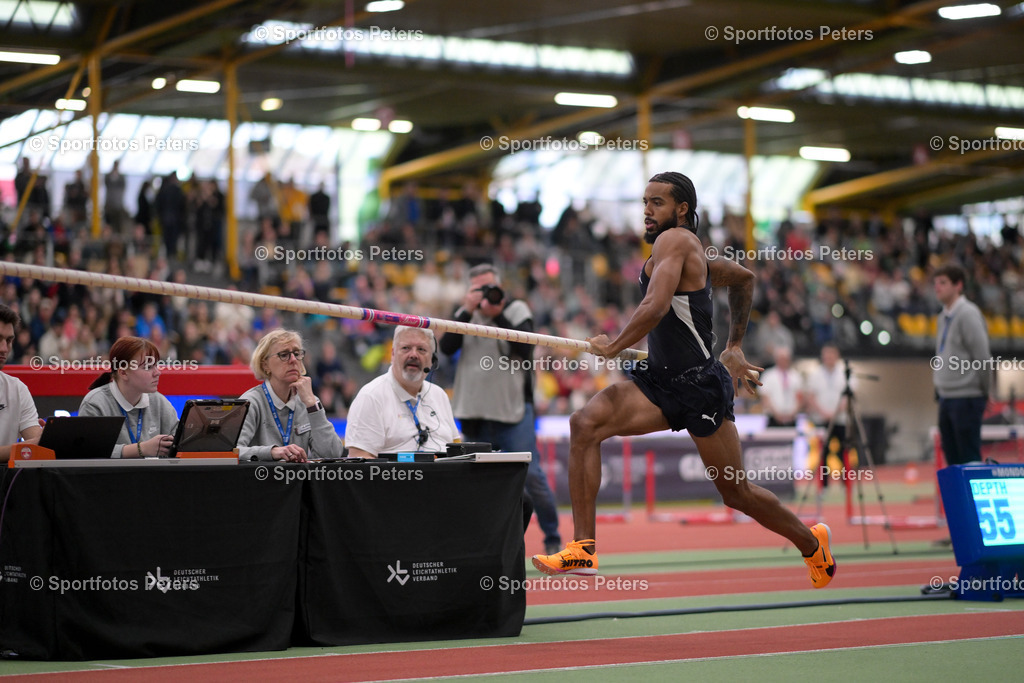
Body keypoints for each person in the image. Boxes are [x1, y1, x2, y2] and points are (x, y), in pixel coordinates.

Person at [531, 171, 835, 589]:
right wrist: (734, 345)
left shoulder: (673, 241)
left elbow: (656, 306)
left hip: (699, 388)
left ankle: (811, 542)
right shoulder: (690, 253)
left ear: (682, 209)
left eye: (656, 203)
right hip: (659, 382)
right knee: (585, 424)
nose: (647, 211)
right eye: (644, 202)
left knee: (736, 493)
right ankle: (583, 549)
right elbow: (743, 278)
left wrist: (614, 345)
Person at [440, 264, 562, 555]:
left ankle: (553, 537)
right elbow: (445, 348)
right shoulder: (464, 314)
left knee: (532, 476)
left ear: (500, 287)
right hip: (473, 413)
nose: (486, 294)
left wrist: (499, 315)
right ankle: (481, 545)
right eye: (478, 289)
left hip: (513, 412)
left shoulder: (516, 310)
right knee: (474, 483)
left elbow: (525, 350)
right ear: (469, 291)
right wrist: (466, 310)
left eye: (490, 287)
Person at [346, 326, 459, 458]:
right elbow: (359, 460)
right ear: (393, 355)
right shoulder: (371, 396)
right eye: (406, 348)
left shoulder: (440, 395)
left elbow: (457, 448)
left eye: (421, 349)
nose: (413, 355)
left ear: (432, 360)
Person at [237, 329, 344, 462]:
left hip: (298, 481)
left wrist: (312, 405)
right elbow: (233, 451)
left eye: (297, 353)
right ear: (265, 365)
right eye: (284, 355)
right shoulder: (251, 402)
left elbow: (332, 455)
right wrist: (272, 452)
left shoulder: (308, 401)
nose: (293, 360)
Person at [78, 336, 179, 458]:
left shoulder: (158, 401)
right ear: (123, 373)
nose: (157, 372)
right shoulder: (95, 403)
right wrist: (141, 449)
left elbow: (181, 442)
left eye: (156, 365)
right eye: (147, 367)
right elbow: (88, 451)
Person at [933, 263, 991, 465]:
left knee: (969, 458)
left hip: (966, 396)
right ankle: (958, 498)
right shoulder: (943, 316)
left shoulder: (967, 314)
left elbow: (982, 356)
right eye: (935, 283)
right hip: (947, 396)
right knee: (953, 460)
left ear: (958, 285)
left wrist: (985, 390)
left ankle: (971, 498)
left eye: (943, 282)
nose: (937, 287)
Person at [0, 304, 43, 462]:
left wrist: (47, 436)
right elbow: (33, 444)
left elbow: (38, 442)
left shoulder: (17, 388)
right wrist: (30, 445)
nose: (4, 348)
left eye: (9, 340)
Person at [804, 342, 853, 482]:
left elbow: (848, 396)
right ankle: (824, 485)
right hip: (821, 419)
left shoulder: (844, 373)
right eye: (827, 354)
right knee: (823, 452)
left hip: (841, 419)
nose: (829, 357)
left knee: (843, 451)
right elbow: (811, 396)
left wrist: (836, 413)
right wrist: (823, 412)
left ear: (837, 355)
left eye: (832, 354)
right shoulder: (815, 374)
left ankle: (846, 483)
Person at [760, 346, 803, 427]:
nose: (784, 361)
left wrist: (793, 413)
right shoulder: (768, 376)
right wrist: (776, 414)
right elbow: (765, 397)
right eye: (781, 358)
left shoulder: (795, 376)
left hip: (792, 418)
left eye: (786, 358)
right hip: (773, 418)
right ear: (776, 359)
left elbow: (800, 397)